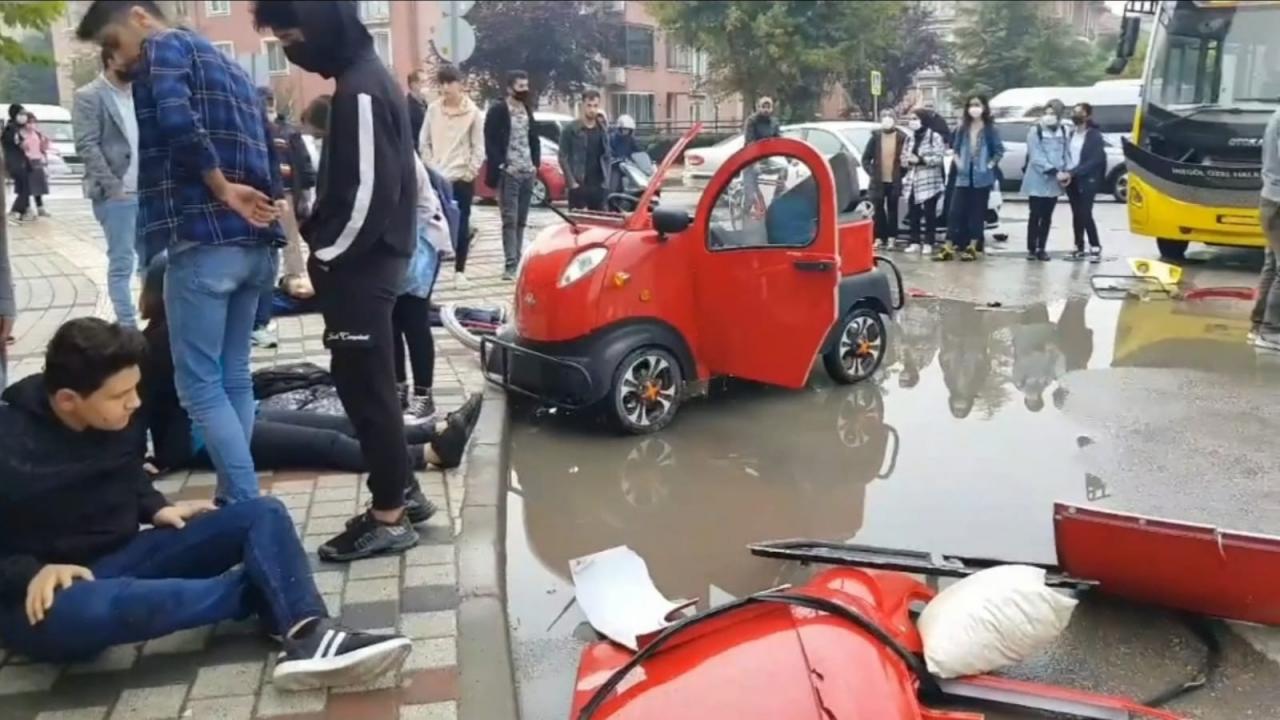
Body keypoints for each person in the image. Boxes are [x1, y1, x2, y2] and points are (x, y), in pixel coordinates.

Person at [0, 318, 412, 686]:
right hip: (41, 595)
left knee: (261, 513)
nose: (135, 402)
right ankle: (266, 591)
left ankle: (307, 634)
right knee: (91, 610)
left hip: (122, 555)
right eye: (119, 395)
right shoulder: (10, 440)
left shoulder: (116, 413)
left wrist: (154, 506)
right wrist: (30, 571)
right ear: (68, 400)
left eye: (134, 389)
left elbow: (125, 467)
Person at [77, 1, 283, 506]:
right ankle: (237, 498)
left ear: (139, 17)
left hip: (202, 237)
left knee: (199, 387)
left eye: (112, 42)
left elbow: (176, 120)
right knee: (233, 375)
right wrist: (267, 214)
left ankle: (244, 502)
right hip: (253, 243)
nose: (116, 57)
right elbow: (268, 143)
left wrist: (221, 188)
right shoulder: (228, 64)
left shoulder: (165, 48)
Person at [253, 1, 426, 562]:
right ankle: (403, 492)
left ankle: (389, 516)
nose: (291, 52)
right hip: (369, 262)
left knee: (366, 391)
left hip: (361, 266)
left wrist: (327, 255)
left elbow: (371, 191)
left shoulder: (360, 91)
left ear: (322, 27)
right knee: (369, 386)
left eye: (291, 38)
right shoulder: (366, 81)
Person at [137, 255, 479, 481]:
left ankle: (433, 430)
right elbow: (139, 407)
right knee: (326, 443)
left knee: (346, 424)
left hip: (242, 413)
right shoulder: (159, 342)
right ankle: (428, 454)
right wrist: (141, 462)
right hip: (202, 439)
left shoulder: (199, 326)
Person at [73, 47, 142, 327]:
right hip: (117, 196)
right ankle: (127, 327)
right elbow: (86, 145)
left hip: (146, 190)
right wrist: (114, 188)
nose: (137, 61)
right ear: (111, 58)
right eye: (130, 56)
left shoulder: (141, 92)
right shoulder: (89, 95)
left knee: (154, 261)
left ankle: (156, 321)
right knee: (122, 262)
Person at [252, 86, 317, 349]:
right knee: (269, 247)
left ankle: (295, 277)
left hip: (287, 193)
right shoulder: (257, 131)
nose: (268, 110)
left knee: (289, 240)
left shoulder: (287, 131)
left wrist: (305, 191)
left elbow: (302, 162)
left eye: (270, 105)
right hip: (263, 195)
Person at [393, 156, 452, 421]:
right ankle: (397, 388)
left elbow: (425, 206)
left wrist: (398, 239)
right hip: (389, 248)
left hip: (419, 244)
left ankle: (423, 395)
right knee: (390, 321)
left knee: (414, 320)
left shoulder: (404, 156)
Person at [420, 63, 484, 290]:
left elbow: (478, 147)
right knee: (435, 226)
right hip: (438, 177)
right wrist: (431, 168)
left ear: (460, 85)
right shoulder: (433, 110)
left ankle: (460, 271)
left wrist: (469, 172)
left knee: (461, 224)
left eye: (450, 83)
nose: (445, 88)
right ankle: (430, 275)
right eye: (442, 83)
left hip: (461, 178)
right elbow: (424, 142)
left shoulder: (473, 113)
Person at [484, 70, 540, 281]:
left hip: (527, 171)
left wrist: (535, 164)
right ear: (509, 88)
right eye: (520, 86)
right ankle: (510, 264)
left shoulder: (527, 109)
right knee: (510, 218)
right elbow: (490, 139)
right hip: (509, 172)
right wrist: (501, 164)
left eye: (526, 86)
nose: (524, 90)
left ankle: (518, 259)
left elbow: (533, 137)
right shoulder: (499, 110)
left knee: (522, 219)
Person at [937, 95, 1003, 262]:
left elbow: (999, 151)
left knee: (977, 213)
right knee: (955, 212)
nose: (974, 108)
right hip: (963, 177)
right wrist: (959, 163)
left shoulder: (990, 129)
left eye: (977, 105)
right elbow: (955, 148)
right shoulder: (962, 128)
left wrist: (989, 166)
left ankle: (972, 247)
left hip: (982, 178)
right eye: (971, 105)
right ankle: (948, 246)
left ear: (984, 107)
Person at [1021, 100, 1070, 262]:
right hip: (1037, 179)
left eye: (1053, 113)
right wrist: (1053, 170)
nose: (1049, 116)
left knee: (1047, 216)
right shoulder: (1036, 130)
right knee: (1035, 214)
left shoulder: (1064, 130)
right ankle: (1031, 248)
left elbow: (1066, 153)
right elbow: (1036, 156)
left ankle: (1042, 247)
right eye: (1047, 113)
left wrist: (1066, 172)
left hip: (1055, 181)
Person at [1252, 105, 1280, 351]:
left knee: (1272, 264)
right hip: (1278, 202)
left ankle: (1258, 326)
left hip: (1271, 199)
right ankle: (1271, 333)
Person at [900, 108, 946, 254]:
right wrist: (906, 161)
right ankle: (914, 241)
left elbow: (939, 157)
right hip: (913, 180)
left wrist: (921, 160)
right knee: (913, 212)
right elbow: (903, 156)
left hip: (929, 181)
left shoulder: (934, 137)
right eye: (910, 119)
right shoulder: (910, 138)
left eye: (915, 118)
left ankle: (929, 242)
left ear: (923, 120)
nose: (912, 122)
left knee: (929, 213)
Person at [1065, 103, 1106, 263]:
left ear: (1088, 115)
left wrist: (1075, 171)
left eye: (1080, 112)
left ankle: (1095, 245)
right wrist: (1066, 172)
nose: (1076, 115)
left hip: (1087, 179)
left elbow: (1096, 159)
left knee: (1085, 212)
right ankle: (1078, 245)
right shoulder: (1071, 134)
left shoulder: (1094, 136)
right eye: (1074, 112)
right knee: (1076, 213)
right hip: (1071, 179)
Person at [861, 110, 908, 249]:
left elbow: (906, 159)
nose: (887, 119)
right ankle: (880, 237)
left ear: (895, 119)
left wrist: (901, 173)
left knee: (893, 209)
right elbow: (866, 158)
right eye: (884, 116)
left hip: (894, 180)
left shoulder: (901, 138)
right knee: (878, 209)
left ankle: (892, 237)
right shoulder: (875, 137)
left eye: (890, 116)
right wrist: (872, 172)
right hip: (878, 181)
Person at [559, 89, 612, 212]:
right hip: (579, 185)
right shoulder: (571, 129)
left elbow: (607, 156)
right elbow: (562, 157)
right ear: (582, 105)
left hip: (598, 186)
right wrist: (572, 183)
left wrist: (606, 182)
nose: (592, 109)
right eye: (589, 105)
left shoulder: (602, 130)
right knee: (579, 221)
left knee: (599, 221)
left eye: (595, 106)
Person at [3, 105, 34, 223]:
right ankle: (15, 211)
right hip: (16, 163)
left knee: (23, 188)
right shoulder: (11, 129)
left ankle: (24, 211)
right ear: (14, 115)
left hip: (20, 161)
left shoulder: (15, 128)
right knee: (25, 189)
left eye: (25, 114)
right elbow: (20, 145)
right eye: (21, 114)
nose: (24, 117)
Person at [19, 113, 51, 219]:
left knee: (38, 187)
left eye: (33, 122)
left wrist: (46, 142)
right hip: (26, 161)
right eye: (29, 122)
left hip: (37, 161)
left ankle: (40, 207)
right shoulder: (21, 134)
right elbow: (20, 148)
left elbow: (43, 148)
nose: (31, 124)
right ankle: (27, 209)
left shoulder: (37, 134)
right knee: (27, 187)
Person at [407, 69, 429, 153]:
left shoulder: (425, 103)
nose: (426, 86)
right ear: (413, 85)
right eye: (423, 82)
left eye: (427, 82)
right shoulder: (407, 107)